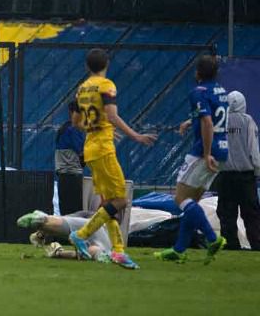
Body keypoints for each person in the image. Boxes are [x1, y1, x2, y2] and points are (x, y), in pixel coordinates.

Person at [69, 49, 157, 269]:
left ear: (87, 67)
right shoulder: (107, 85)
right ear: (106, 63)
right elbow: (111, 114)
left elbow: (76, 122)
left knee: (108, 203)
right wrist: (135, 135)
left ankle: (118, 251)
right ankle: (81, 234)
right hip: (103, 149)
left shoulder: (82, 88)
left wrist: (97, 127)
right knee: (121, 200)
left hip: (91, 147)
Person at [155, 55, 228, 263]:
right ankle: (178, 250)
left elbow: (207, 121)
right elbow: (213, 115)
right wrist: (190, 121)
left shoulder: (197, 92)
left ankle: (212, 238)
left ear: (197, 73)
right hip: (223, 149)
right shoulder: (221, 91)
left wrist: (205, 154)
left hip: (205, 151)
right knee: (192, 202)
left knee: (180, 198)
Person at [214, 91, 260, 250]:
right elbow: (253, 149)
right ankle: (256, 244)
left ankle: (230, 243)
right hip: (245, 176)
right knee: (251, 214)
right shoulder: (248, 121)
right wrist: (257, 171)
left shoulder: (221, 122)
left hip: (225, 176)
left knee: (227, 213)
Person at [17, 210, 112, 262]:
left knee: (64, 222)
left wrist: (59, 253)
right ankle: (42, 223)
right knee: (91, 253)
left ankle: (43, 221)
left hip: (89, 217)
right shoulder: (107, 248)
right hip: (97, 226)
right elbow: (94, 252)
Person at [55, 100, 85, 215]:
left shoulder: (65, 128)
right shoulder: (73, 130)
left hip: (64, 177)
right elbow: (82, 153)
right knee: (75, 212)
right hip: (72, 177)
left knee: (66, 212)